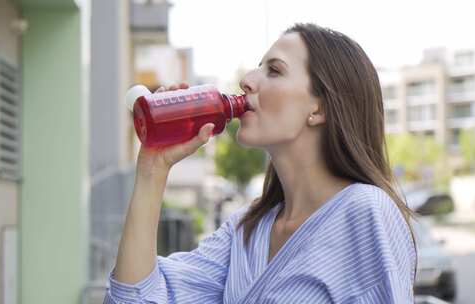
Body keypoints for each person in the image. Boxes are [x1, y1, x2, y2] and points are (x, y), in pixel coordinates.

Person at [104, 23, 417, 304]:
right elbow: (134, 299)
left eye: (275, 70)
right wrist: (153, 171)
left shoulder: (365, 213)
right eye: (257, 68)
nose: (247, 80)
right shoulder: (246, 231)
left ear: (319, 108)